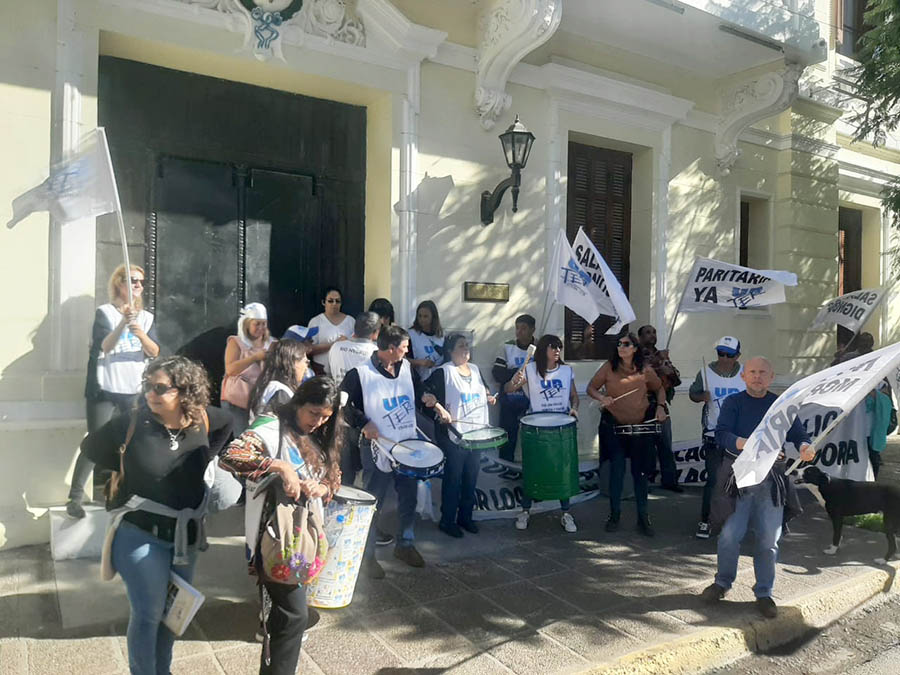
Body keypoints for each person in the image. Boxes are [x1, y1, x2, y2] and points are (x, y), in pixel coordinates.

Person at [79, 356, 232, 675]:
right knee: (148, 614)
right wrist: (129, 468)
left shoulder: (204, 419)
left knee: (172, 614)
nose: (150, 393)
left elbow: (226, 425)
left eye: (159, 388)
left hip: (184, 540)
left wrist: (203, 460)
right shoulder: (131, 422)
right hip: (139, 536)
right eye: (147, 385)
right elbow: (91, 447)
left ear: (184, 392)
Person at [220, 377, 342, 675]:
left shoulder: (322, 435)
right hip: (274, 537)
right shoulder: (270, 428)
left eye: (326, 417)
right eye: (314, 413)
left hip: (305, 536)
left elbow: (333, 479)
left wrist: (321, 489)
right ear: (299, 402)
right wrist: (280, 466)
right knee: (294, 616)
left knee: (283, 616)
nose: (318, 422)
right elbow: (231, 456)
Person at [700, 357, 814, 619]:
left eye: (763, 372)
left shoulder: (781, 405)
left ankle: (764, 592)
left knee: (768, 540)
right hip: (738, 479)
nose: (757, 376)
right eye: (752, 372)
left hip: (771, 481)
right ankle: (722, 583)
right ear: (743, 376)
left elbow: (799, 435)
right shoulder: (733, 403)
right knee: (730, 535)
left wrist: (806, 447)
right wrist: (743, 443)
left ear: (771, 377)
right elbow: (722, 434)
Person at [340, 325, 441, 576]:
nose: (407, 353)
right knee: (374, 502)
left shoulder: (406, 368)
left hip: (407, 444)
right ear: (390, 349)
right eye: (404, 348)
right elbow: (340, 404)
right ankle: (367, 555)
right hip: (378, 447)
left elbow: (417, 393)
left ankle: (405, 544)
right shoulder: (359, 374)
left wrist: (428, 399)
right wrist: (364, 423)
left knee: (409, 497)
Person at [67, 264, 160, 519]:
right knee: (96, 440)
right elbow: (104, 347)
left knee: (131, 443)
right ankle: (74, 497)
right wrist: (122, 323)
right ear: (119, 283)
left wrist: (138, 331)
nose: (138, 286)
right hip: (105, 388)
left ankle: (126, 493)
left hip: (132, 388)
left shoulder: (147, 318)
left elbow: (154, 351)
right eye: (133, 281)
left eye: (141, 282)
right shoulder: (105, 313)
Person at [587, 332, 668, 537]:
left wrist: (660, 407)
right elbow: (591, 387)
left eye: (626, 344)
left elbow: (660, 389)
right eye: (619, 344)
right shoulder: (608, 367)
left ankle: (643, 517)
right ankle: (614, 515)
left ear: (635, 348)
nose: (621, 347)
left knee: (640, 474)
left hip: (639, 428)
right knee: (617, 469)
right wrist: (602, 398)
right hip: (614, 427)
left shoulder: (644, 370)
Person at [505, 334, 579, 533]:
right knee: (533, 469)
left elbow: (574, 396)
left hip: (561, 426)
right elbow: (508, 389)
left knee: (561, 469)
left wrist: (574, 409)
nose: (557, 351)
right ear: (543, 349)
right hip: (535, 427)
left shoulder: (566, 370)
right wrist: (515, 381)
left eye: (559, 348)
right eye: (553, 347)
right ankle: (525, 510)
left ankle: (565, 512)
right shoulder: (529, 370)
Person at [427, 333, 497, 537]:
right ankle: (447, 520)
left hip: (476, 434)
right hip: (454, 436)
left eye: (467, 345)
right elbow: (427, 397)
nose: (466, 349)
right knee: (454, 478)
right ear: (450, 350)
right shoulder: (443, 372)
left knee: (471, 477)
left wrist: (489, 396)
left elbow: (484, 390)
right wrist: (439, 410)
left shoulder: (475, 369)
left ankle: (466, 517)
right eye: (461, 346)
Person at [689, 336, 745, 539]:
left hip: (739, 437)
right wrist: (700, 396)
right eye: (720, 353)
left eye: (728, 355)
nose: (723, 358)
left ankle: (734, 520)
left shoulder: (745, 373)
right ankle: (706, 520)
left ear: (737, 355)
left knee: (739, 480)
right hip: (714, 435)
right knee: (713, 480)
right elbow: (693, 394)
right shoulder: (705, 372)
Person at [328, 311, 381, 484]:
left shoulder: (336, 347)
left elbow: (330, 374)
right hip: (365, 419)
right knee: (368, 471)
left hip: (339, 416)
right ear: (376, 333)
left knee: (344, 471)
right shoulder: (375, 353)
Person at [637, 324, 682, 494]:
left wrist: (669, 371)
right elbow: (638, 375)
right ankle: (642, 483)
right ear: (640, 337)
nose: (652, 335)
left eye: (654, 332)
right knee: (643, 445)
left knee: (665, 444)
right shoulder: (636, 355)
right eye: (647, 332)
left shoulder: (662, 355)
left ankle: (670, 481)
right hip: (642, 404)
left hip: (660, 404)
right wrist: (658, 367)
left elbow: (677, 380)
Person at [222, 302, 274, 435]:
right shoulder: (236, 342)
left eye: (264, 324)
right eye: (257, 324)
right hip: (237, 401)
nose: (261, 328)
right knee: (241, 437)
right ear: (247, 324)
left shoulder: (272, 343)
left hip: (261, 401)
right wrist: (254, 358)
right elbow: (230, 370)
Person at [492, 314, 536, 462]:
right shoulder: (507, 346)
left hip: (532, 401)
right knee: (507, 436)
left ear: (532, 330)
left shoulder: (540, 348)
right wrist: (516, 372)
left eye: (524, 328)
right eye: (517, 328)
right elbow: (497, 372)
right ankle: (505, 465)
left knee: (532, 437)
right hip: (510, 400)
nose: (519, 332)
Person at [247, 340, 310, 422]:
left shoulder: (270, 386)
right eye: (306, 362)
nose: (306, 368)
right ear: (293, 363)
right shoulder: (279, 391)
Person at [307, 286, 355, 376]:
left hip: (344, 372)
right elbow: (309, 349)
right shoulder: (315, 322)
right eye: (330, 301)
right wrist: (334, 344)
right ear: (323, 302)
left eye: (337, 301)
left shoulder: (351, 321)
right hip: (322, 372)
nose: (334, 304)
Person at [407, 300, 445, 382]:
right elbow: (403, 359)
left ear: (433, 317)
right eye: (419, 316)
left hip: (438, 380)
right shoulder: (411, 335)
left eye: (425, 316)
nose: (422, 319)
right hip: (419, 381)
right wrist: (420, 362)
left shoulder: (441, 336)